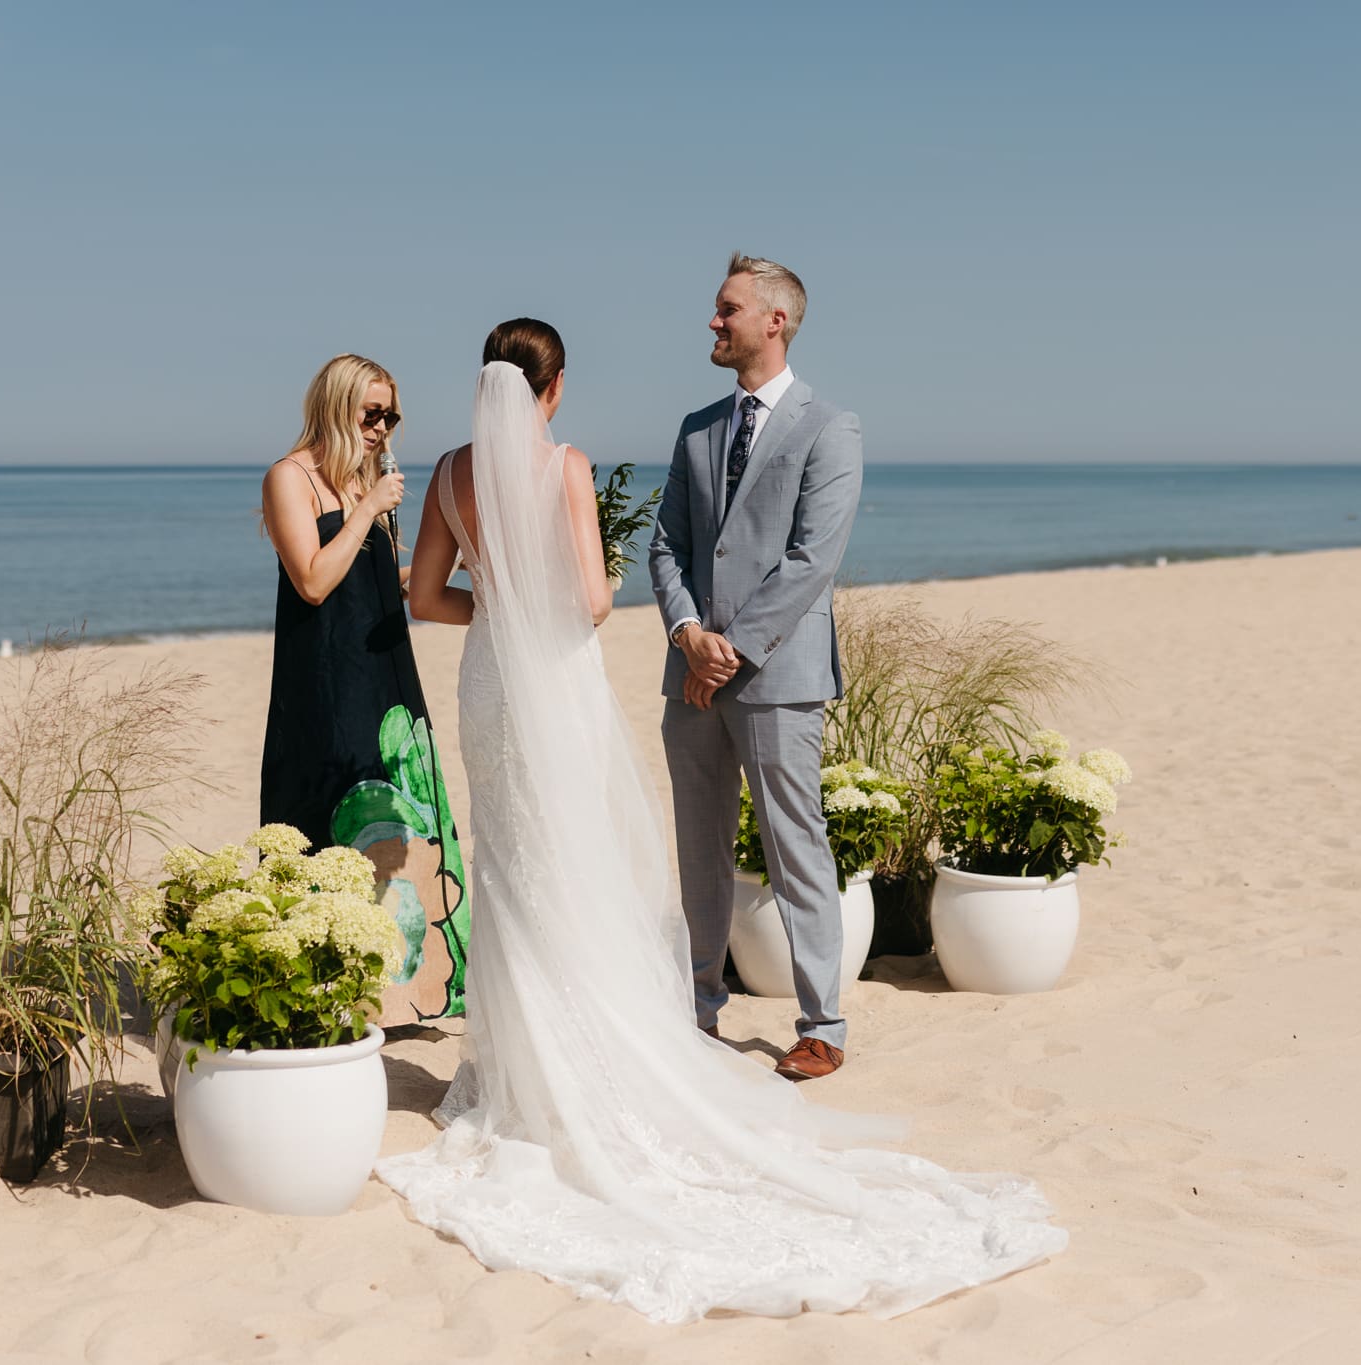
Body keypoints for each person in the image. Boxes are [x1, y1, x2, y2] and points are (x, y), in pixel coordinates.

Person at [379, 313, 1065, 1323]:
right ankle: (594, 1058)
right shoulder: (562, 467)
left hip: (490, 685)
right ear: (552, 387)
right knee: (570, 860)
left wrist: (497, 604)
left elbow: (427, 599)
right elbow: (591, 602)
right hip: (550, 684)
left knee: (511, 865)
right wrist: (539, 599)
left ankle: (522, 1071)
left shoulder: (447, 470)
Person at [649, 253, 859, 1079]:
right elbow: (667, 543)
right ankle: (696, 1009)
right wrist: (688, 633)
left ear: (775, 320)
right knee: (697, 846)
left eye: (726, 308)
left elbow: (812, 561)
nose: (713, 320)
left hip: (778, 677)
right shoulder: (696, 427)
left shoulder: (829, 426)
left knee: (794, 842)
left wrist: (729, 652)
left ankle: (823, 1024)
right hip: (691, 672)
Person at [259, 353, 470, 1025]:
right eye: (369, 412)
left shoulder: (366, 484)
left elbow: (385, 584)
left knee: (401, 813)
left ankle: (401, 990)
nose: (382, 427)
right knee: (326, 808)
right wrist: (368, 509)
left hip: (387, 681)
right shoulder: (289, 479)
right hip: (323, 680)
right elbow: (314, 580)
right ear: (334, 405)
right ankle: (321, 986)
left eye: (391, 415)